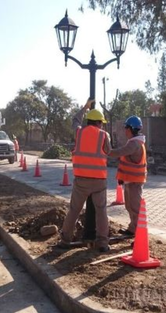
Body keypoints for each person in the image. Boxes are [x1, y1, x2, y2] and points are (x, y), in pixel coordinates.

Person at [58, 99, 112, 252]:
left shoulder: (79, 132)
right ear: (99, 123)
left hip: (81, 180)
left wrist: (85, 107)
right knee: (101, 211)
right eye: (101, 123)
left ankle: (65, 240)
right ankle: (102, 243)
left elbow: (74, 120)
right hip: (99, 181)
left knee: (74, 209)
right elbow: (108, 151)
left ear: (89, 121)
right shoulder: (104, 135)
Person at [108, 115, 147, 237]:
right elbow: (126, 162)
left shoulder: (135, 144)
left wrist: (105, 150)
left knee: (135, 207)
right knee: (129, 206)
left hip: (135, 182)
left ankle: (139, 234)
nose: (125, 130)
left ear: (131, 129)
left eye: (126, 128)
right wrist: (122, 178)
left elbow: (119, 152)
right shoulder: (133, 142)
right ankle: (133, 228)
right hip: (130, 181)